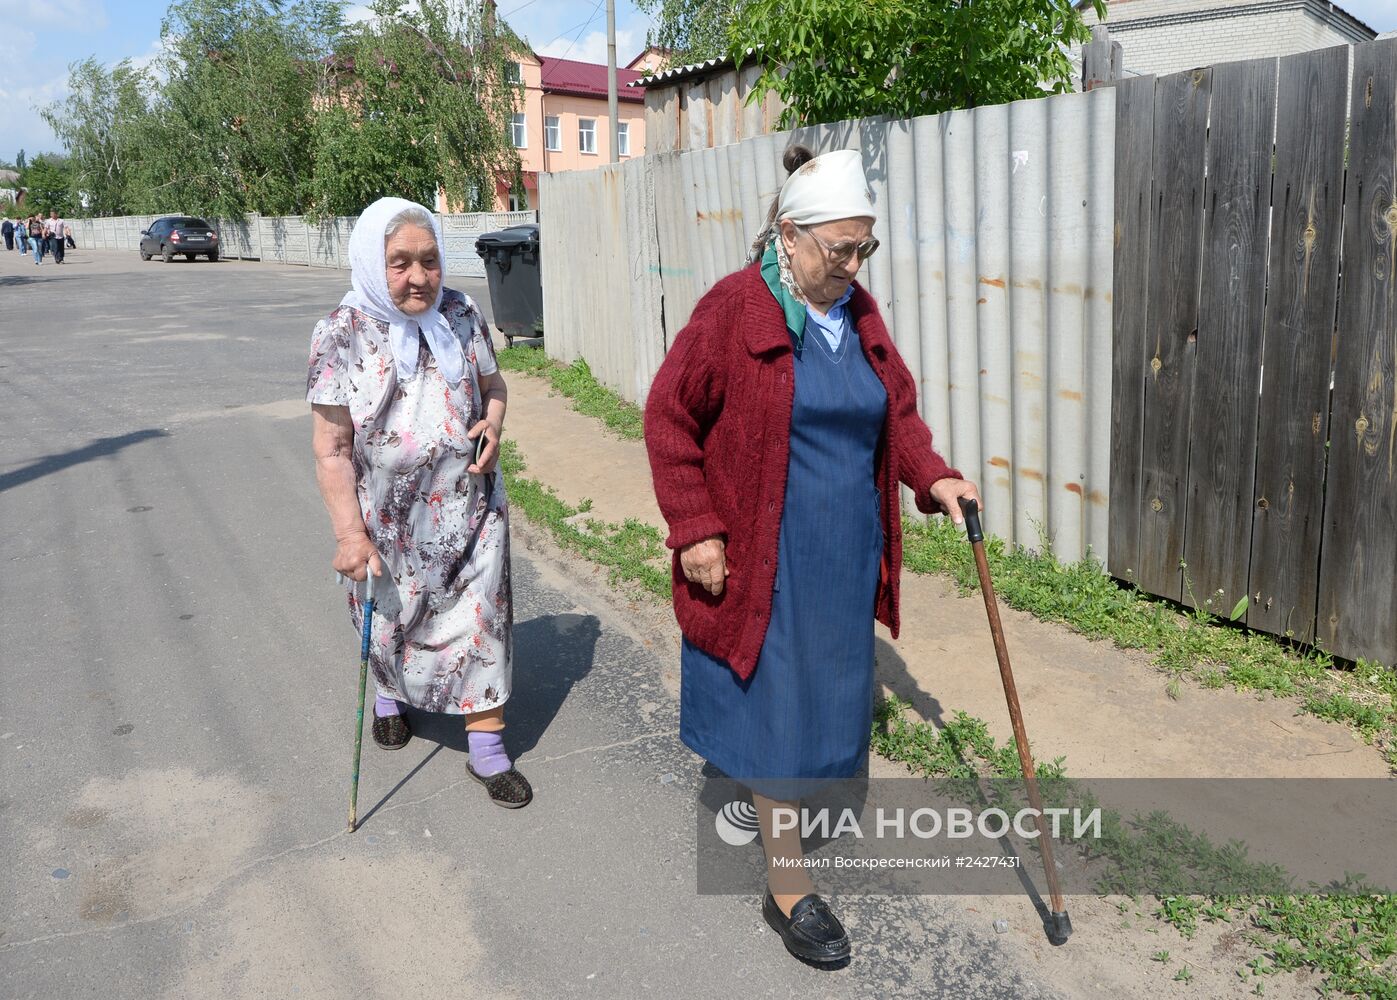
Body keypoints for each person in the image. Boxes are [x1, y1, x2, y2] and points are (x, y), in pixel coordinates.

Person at [644, 146, 982, 965]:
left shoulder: (858, 313)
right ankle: (787, 884)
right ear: (788, 236)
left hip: (844, 548)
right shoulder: (734, 310)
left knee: (829, 689)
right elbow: (667, 416)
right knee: (781, 704)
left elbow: (895, 414)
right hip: (771, 550)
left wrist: (933, 476)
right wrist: (694, 526)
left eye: (864, 247)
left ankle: (778, 804)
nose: (853, 265)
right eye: (839, 248)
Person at [306, 196, 531, 809]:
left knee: (481, 619)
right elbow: (332, 449)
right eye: (400, 263)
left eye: (429, 260)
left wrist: (493, 425)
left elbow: (494, 386)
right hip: (387, 523)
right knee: (393, 619)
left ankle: (487, 747)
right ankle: (390, 697)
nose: (419, 277)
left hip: (472, 509)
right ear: (370, 263)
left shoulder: (460, 312)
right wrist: (349, 535)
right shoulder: (340, 333)